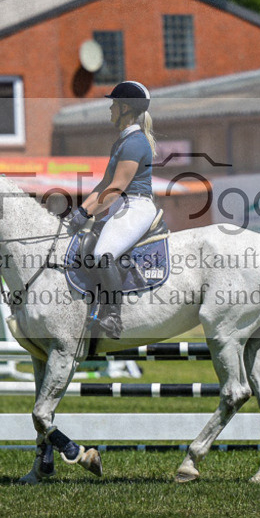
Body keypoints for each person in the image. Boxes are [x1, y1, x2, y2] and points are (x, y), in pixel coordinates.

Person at [66, 80, 157, 339]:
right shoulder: (121, 142)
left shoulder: (135, 143)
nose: (110, 110)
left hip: (136, 206)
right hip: (121, 206)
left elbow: (116, 188)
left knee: (103, 254)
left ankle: (114, 317)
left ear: (125, 108)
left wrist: (87, 213)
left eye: (113, 105)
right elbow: (103, 185)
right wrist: (80, 211)